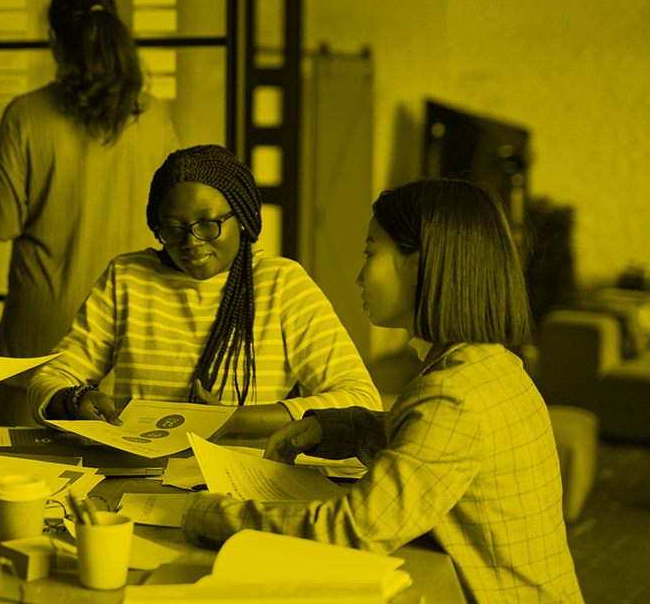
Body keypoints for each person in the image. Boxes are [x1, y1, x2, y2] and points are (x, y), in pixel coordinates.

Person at [183, 178, 584, 604]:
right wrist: (336, 428)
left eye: (370, 253)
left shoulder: (454, 395)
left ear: (420, 265)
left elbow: (350, 530)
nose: (358, 275)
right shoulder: (492, 365)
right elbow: (426, 449)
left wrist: (211, 514)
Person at [28, 144, 380, 435]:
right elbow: (50, 377)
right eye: (173, 230)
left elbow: (361, 401)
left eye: (208, 225)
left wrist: (235, 421)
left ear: (241, 217)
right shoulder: (128, 277)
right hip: (141, 474)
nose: (191, 243)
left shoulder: (282, 285)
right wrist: (73, 399)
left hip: (244, 482)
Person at [0, 0, 179, 425]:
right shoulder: (153, 115)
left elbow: (0, 221)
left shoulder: (25, 115)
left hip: (38, 337)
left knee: (20, 469)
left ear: (53, 40)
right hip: (125, 329)